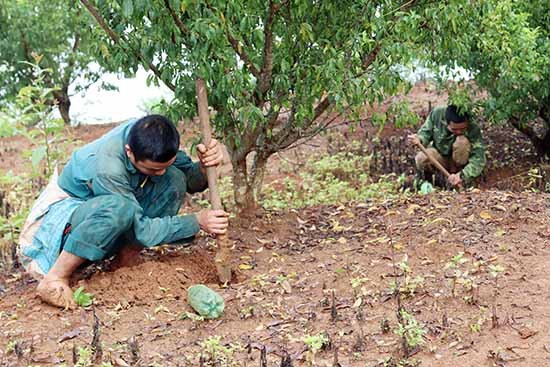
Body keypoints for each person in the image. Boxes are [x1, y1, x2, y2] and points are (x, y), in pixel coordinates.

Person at [18, 115, 229, 309]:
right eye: (153, 169)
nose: (160, 172)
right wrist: (196, 221)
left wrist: (203, 167)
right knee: (119, 208)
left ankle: (125, 259)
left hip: (107, 209)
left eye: (165, 165)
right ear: (129, 152)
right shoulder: (108, 167)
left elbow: (189, 181)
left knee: (174, 179)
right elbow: (141, 228)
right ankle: (55, 277)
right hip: (68, 221)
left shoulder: (155, 138)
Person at [407, 104, 486, 187]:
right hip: (441, 158)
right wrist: (419, 139)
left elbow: (478, 159)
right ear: (446, 123)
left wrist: (462, 175)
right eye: (454, 129)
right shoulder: (437, 114)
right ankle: (435, 182)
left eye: (462, 129)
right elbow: (425, 133)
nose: (459, 132)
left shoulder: (473, 126)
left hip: (460, 163)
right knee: (421, 158)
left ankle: (461, 181)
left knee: (462, 142)